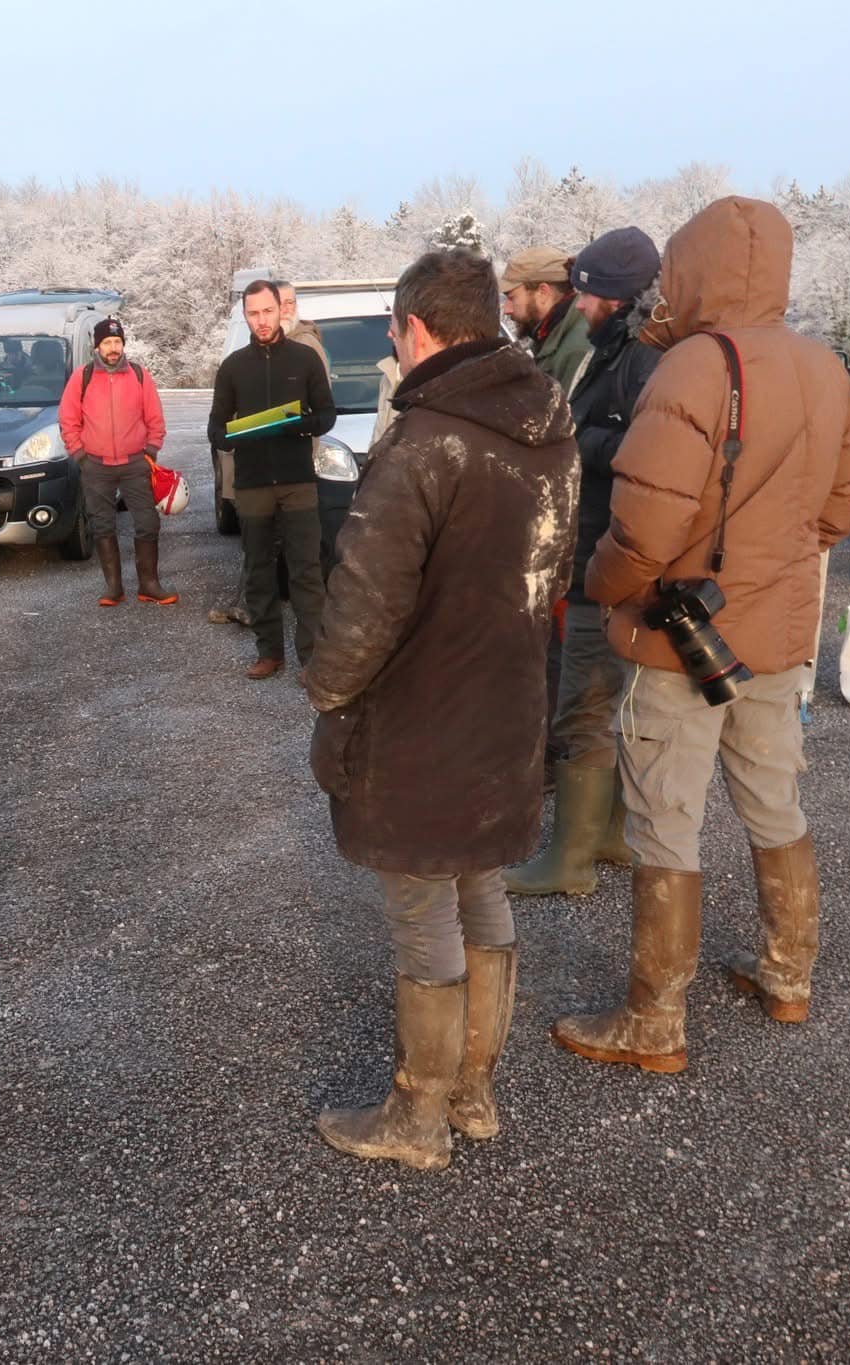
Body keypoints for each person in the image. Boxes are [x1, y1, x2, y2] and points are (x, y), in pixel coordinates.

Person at [553, 197, 850, 1073]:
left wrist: (603, 589)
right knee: (775, 801)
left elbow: (643, 527)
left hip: (679, 637)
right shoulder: (827, 368)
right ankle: (787, 974)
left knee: (665, 818)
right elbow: (840, 512)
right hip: (779, 635)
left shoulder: (694, 366)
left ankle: (656, 1021)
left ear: (692, 269)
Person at [306, 247, 577, 1171]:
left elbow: (364, 602)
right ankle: (475, 1089)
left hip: (421, 715)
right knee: (482, 885)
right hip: (509, 699)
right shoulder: (550, 423)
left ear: (415, 328)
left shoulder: (427, 440)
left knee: (425, 901)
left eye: (393, 327)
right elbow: (553, 567)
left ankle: (418, 1115)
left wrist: (329, 692)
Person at [507, 227, 662, 897]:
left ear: (617, 298)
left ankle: (568, 859)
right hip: (610, 549)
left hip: (612, 557)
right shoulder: (621, 350)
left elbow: (645, 449)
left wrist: (574, 436)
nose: (582, 303)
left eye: (592, 295)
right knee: (614, 704)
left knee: (586, 703)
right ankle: (604, 834)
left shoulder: (640, 360)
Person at [209, 279, 335, 679]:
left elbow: (327, 415)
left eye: (267, 311)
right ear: (245, 315)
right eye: (253, 313)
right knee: (259, 570)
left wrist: (295, 426)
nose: (261, 321)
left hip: (298, 478)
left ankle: (311, 658)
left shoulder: (304, 359)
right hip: (252, 483)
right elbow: (215, 431)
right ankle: (269, 653)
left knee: (306, 571)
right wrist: (241, 433)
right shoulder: (232, 367)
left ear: (281, 309)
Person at [58, 316, 173, 606]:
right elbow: (68, 419)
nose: (113, 348)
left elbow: (155, 417)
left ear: (123, 344)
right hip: (95, 465)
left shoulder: (139, 375)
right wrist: (80, 455)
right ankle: (113, 587)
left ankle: (149, 584)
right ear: (97, 346)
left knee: (147, 523)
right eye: (107, 342)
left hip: (136, 462)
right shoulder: (81, 377)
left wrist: (151, 450)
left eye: (117, 342)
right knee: (102, 525)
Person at [501, 246, 589, 395]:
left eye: (511, 298)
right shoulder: (551, 335)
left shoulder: (576, 350)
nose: (507, 310)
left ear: (542, 292)